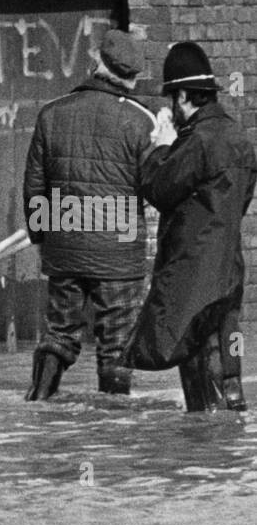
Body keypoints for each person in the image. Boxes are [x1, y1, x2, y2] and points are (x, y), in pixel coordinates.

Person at [122, 42, 256, 411]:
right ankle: (227, 457)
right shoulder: (240, 140)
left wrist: (162, 147)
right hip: (228, 271)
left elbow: (158, 190)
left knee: (200, 387)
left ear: (183, 96)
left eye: (172, 100)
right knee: (229, 369)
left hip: (192, 276)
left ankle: (204, 454)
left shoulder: (195, 142)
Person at [22, 29, 155, 400]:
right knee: (117, 344)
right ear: (132, 76)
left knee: (60, 332)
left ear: (98, 63)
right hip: (120, 247)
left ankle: (39, 404)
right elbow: (156, 187)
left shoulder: (53, 112)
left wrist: (41, 238)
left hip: (65, 241)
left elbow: (34, 185)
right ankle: (111, 430)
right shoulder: (143, 121)